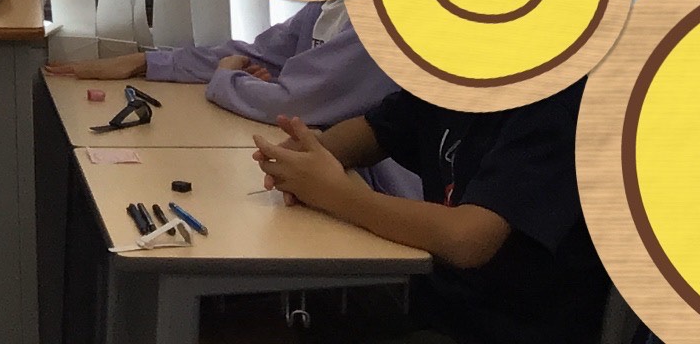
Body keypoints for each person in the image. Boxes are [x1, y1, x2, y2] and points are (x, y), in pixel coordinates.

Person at [250, 81, 612, 344]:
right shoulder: (454, 81)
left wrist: (336, 193)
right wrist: (307, 157)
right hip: (437, 304)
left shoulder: (559, 101)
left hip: (506, 328)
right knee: (259, 311)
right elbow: (370, 133)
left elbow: (467, 240)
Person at [48, 0, 420, 195]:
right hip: (325, 170)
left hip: (381, 192)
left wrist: (227, 78)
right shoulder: (332, 1)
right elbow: (260, 54)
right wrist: (144, 62)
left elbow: (291, 103)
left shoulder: (387, 16)